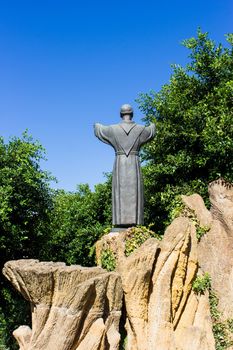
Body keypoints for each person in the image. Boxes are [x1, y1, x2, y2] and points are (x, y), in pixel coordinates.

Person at [94, 104, 155, 229]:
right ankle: (135, 222)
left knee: (119, 192)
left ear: (121, 114)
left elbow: (99, 129)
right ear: (132, 114)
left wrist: (96, 125)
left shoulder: (112, 129)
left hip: (120, 162)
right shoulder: (142, 129)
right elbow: (151, 131)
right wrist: (153, 125)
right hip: (134, 163)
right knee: (134, 190)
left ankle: (120, 222)